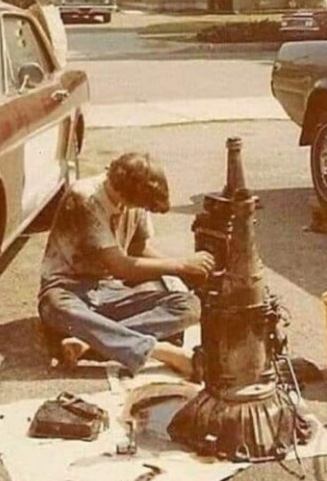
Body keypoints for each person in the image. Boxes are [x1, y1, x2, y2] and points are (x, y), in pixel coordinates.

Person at [38, 152, 215, 379]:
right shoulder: (84, 197)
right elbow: (120, 267)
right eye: (139, 204)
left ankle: (91, 342)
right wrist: (180, 265)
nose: (139, 208)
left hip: (108, 291)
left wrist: (182, 274)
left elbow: (137, 248)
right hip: (67, 289)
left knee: (188, 305)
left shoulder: (132, 199)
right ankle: (162, 351)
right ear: (126, 193)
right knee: (55, 308)